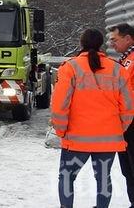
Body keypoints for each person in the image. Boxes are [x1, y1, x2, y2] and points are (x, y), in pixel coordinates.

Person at [51, 28, 134, 208]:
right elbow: (128, 107)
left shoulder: (70, 68)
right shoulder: (118, 70)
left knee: (66, 177)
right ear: (101, 45)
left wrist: (60, 130)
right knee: (103, 178)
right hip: (108, 139)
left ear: (81, 44)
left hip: (75, 138)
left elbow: (59, 105)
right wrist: (119, 128)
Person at [109, 23, 134, 206]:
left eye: (114, 40)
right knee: (128, 170)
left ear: (128, 38)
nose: (112, 44)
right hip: (126, 122)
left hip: (132, 121)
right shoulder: (127, 58)